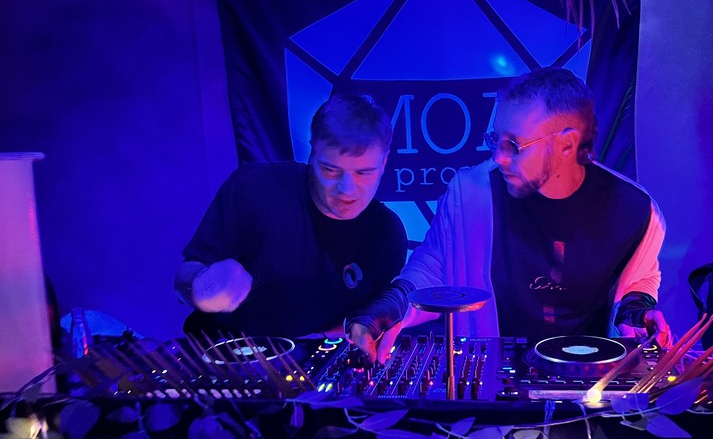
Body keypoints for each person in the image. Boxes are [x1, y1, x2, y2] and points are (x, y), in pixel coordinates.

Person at [347, 67, 669, 364]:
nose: (499, 157)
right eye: (495, 140)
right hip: (491, 379)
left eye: (514, 145)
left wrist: (635, 312)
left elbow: (640, 278)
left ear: (567, 145)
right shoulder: (470, 194)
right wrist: (388, 309)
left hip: (592, 383)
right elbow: (433, 269)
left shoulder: (635, 211)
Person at [175, 94, 407, 339]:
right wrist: (203, 289)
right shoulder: (253, 187)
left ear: (384, 163)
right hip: (225, 351)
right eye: (330, 170)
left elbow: (372, 321)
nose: (347, 189)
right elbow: (182, 279)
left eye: (364, 172)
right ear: (312, 153)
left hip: (318, 358)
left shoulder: (387, 232)